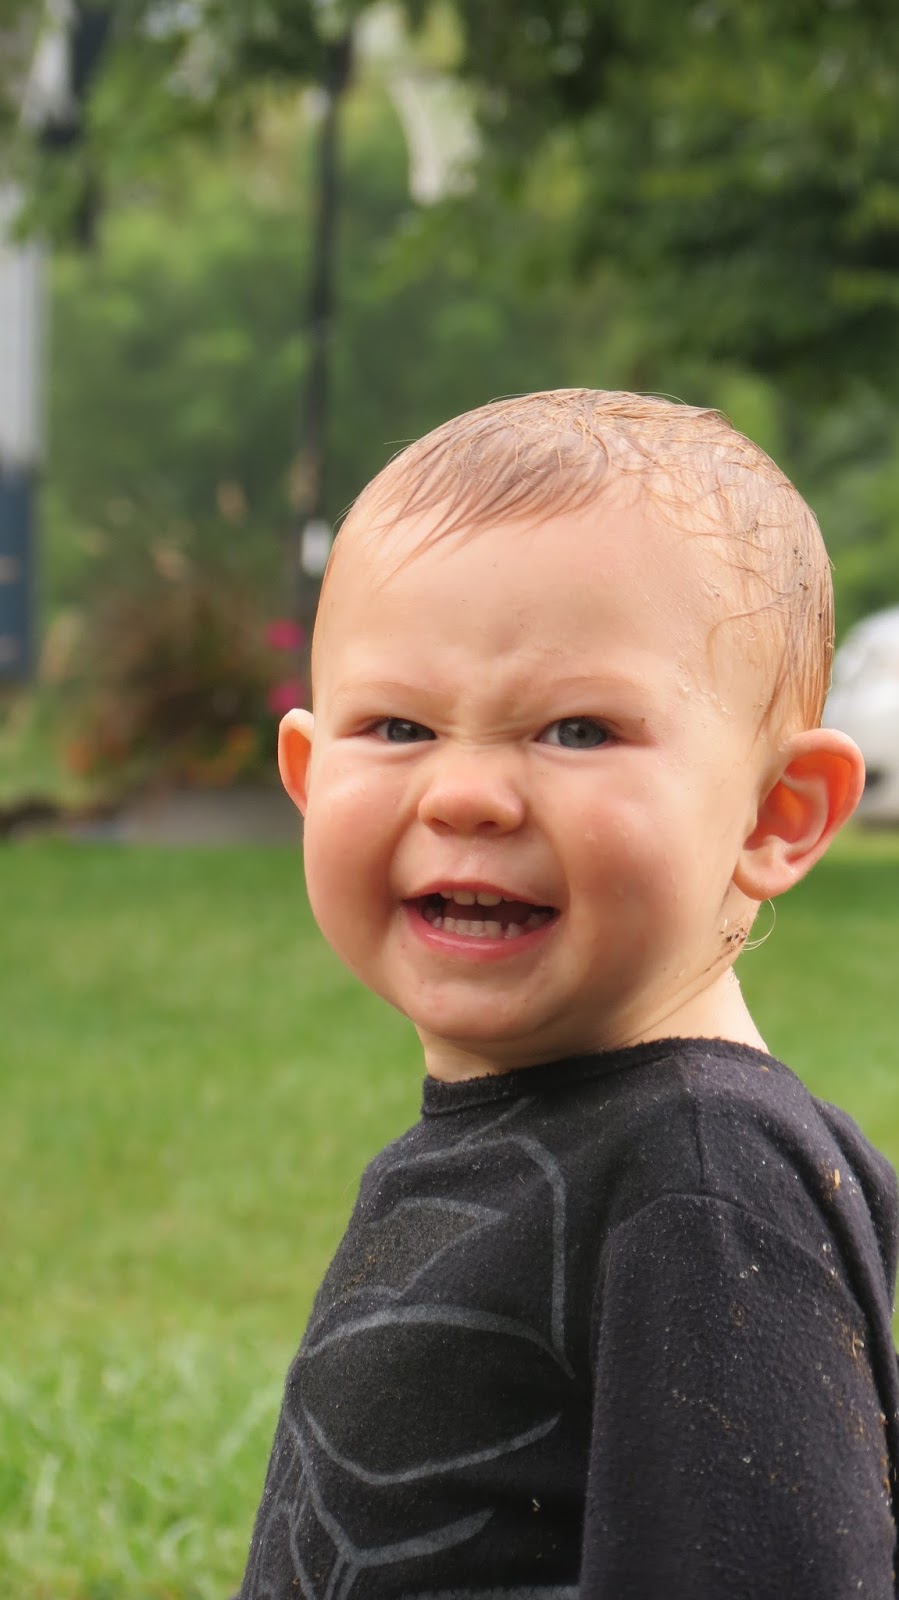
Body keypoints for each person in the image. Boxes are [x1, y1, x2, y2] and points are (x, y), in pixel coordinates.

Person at [237, 390, 899, 1599]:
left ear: (774, 813)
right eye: (396, 725)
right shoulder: (557, 1134)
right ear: (307, 771)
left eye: (577, 730)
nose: (465, 794)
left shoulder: (703, 1176)